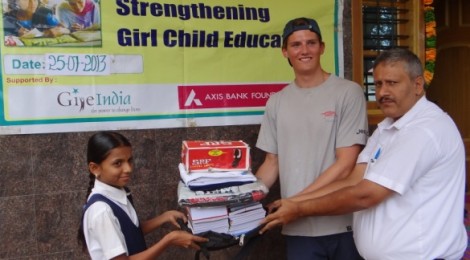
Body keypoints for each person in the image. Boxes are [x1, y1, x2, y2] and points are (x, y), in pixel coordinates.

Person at [260, 48, 468, 259]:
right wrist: (293, 203)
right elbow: (354, 179)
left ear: (417, 85)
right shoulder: (387, 128)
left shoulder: (424, 129)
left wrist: (299, 209)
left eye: (392, 83)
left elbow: (365, 194)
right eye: (378, 84)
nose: (383, 92)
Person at [255, 17, 368, 260]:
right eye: (296, 45)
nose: (304, 50)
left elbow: (346, 164)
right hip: (298, 228)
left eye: (311, 43)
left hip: (342, 222)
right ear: (285, 51)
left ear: (322, 47)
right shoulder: (276, 101)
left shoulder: (348, 92)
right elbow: (271, 163)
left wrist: (295, 203)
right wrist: (242, 200)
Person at [77, 131, 208, 259]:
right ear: (95, 168)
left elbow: (130, 233)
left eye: (129, 160)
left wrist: (164, 217)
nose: (128, 168)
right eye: (118, 163)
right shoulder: (101, 211)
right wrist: (169, 240)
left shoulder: (119, 192)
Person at [3, 0, 69, 37]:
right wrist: (44, 34)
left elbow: (66, 29)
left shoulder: (45, 14)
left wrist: (61, 30)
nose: (32, 3)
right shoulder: (6, 20)